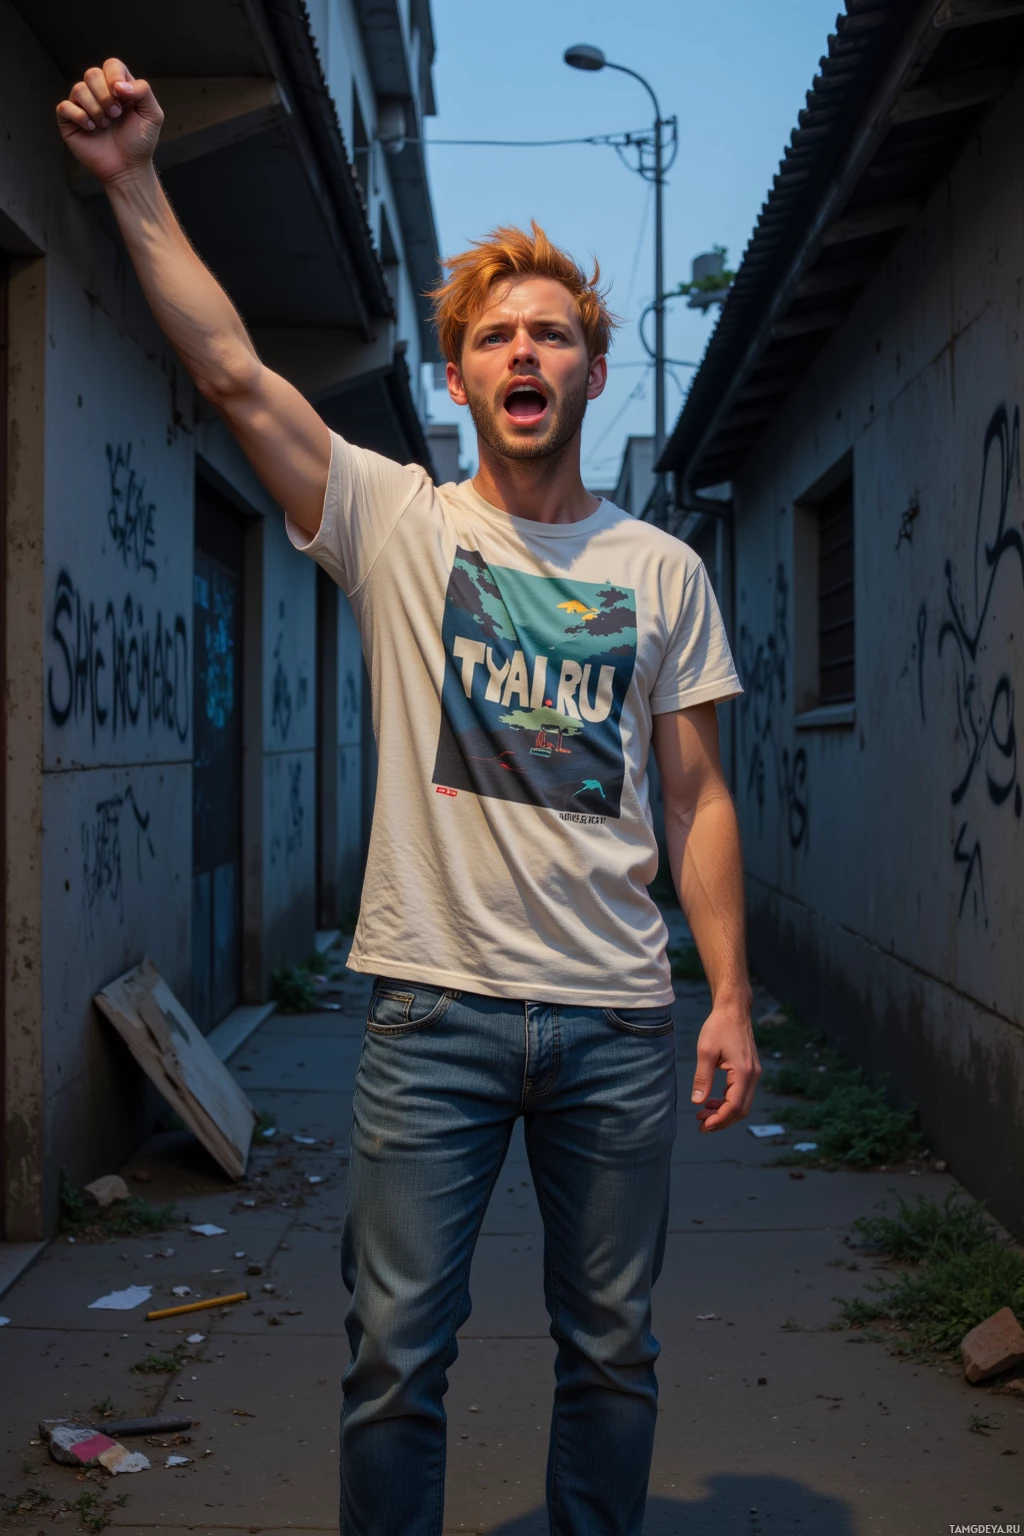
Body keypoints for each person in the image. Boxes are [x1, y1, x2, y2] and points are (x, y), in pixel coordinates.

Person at [57, 59, 761, 1536]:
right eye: (496, 336)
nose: (524, 355)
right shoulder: (395, 523)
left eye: (552, 336)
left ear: (591, 370)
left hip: (617, 1022)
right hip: (431, 1014)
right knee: (394, 1359)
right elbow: (236, 371)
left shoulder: (661, 572)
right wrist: (132, 182)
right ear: (459, 378)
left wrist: (730, 995)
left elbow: (695, 796)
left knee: (613, 1354)